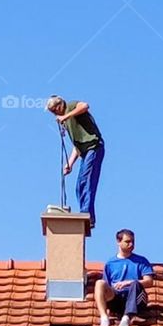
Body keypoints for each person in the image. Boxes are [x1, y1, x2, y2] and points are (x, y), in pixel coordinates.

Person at [45, 95, 104, 229]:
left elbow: (85, 106)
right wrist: (70, 164)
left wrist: (66, 116)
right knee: (80, 185)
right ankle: (87, 215)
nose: (54, 114)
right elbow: (77, 145)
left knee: (87, 181)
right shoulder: (67, 121)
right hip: (85, 151)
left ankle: (87, 214)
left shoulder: (71, 106)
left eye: (54, 111)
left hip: (94, 147)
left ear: (59, 106)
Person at [95, 228, 155, 326]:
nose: (131, 244)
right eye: (127, 241)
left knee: (135, 284)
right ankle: (104, 317)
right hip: (116, 299)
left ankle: (127, 316)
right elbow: (106, 286)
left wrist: (129, 282)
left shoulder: (141, 261)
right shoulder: (110, 263)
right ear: (118, 242)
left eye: (133, 241)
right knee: (99, 283)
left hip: (136, 298)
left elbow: (149, 281)